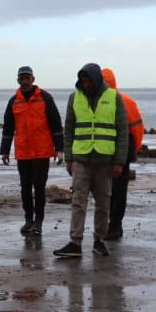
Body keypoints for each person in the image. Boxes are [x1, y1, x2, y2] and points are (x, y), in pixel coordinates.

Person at [54, 63, 128, 258]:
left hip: (104, 161)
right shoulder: (74, 97)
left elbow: (123, 132)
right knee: (78, 201)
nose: (86, 85)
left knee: (103, 203)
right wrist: (68, 158)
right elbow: (68, 129)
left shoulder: (114, 97)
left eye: (89, 81)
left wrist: (119, 161)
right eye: (83, 81)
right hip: (81, 160)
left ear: (97, 80)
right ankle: (75, 243)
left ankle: (99, 241)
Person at [0, 66, 64, 236]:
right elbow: (8, 127)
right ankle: (28, 219)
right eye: (22, 78)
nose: (25, 81)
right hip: (23, 151)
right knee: (25, 187)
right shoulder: (14, 101)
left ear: (33, 79)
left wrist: (60, 149)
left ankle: (39, 221)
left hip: (42, 151)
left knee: (39, 187)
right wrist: (4, 150)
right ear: (18, 81)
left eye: (28, 78)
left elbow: (56, 123)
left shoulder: (45, 98)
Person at [102, 68, 143, 241]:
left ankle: (114, 226)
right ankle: (114, 226)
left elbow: (135, 128)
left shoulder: (120, 100)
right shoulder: (126, 100)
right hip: (113, 151)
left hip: (117, 150)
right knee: (114, 191)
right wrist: (135, 148)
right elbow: (138, 129)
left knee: (113, 191)